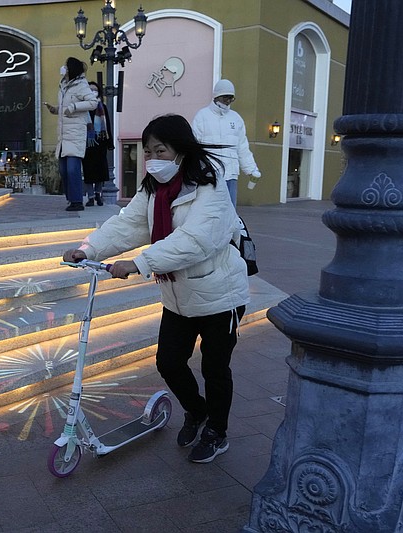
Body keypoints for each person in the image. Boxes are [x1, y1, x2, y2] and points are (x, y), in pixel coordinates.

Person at [62, 114, 249, 463]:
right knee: (169, 363)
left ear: (181, 149)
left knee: (215, 368)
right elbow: (126, 225)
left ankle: (217, 431)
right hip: (178, 298)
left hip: (220, 295)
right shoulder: (153, 190)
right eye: (147, 152)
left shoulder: (210, 187)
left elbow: (194, 240)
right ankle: (197, 410)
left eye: (160, 150)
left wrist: (140, 263)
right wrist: (87, 249)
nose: (152, 159)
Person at [191, 79, 261, 206]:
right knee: (210, 211)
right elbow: (194, 148)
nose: (228, 101)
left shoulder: (236, 118)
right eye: (226, 97)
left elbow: (242, 147)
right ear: (217, 96)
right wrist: (195, 172)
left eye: (231, 98)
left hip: (231, 174)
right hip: (210, 174)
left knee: (230, 212)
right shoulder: (202, 116)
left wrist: (251, 169)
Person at [45, 57, 99, 211]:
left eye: (66, 67)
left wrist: (74, 106)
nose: (63, 69)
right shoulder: (63, 86)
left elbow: (93, 102)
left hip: (75, 134)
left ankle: (77, 201)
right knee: (63, 170)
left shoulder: (81, 85)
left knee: (72, 169)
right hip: (63, 135)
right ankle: (71, 199)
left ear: (71, 69)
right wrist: (55, 109)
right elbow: (65, 108)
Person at [81, 81, 110, 207]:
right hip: (87, 144)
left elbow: (107, 126)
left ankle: (98, 194)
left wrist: (109, 143)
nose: (93, 92)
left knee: (100, 171)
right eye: (90, 89)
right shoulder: (83, 108)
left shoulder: (102, 107)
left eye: (95, 89)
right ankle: (91, 197)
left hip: (100, 143)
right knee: (88, 172)